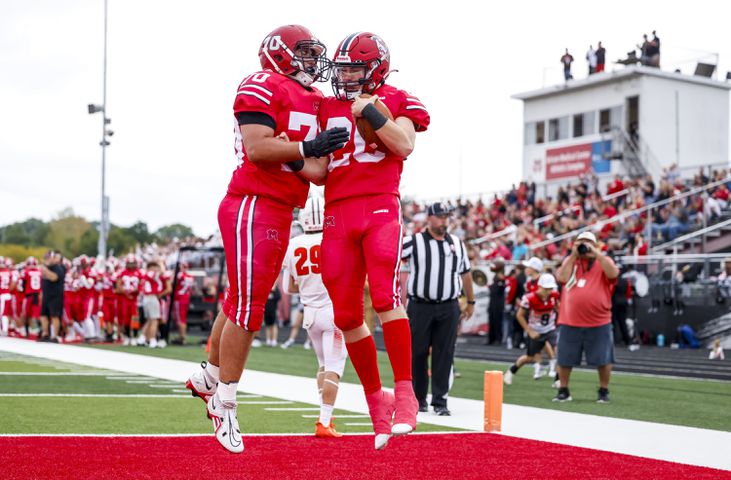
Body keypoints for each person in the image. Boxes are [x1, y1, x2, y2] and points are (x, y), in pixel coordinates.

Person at [184, 25, 348, 454]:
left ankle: (208, 377)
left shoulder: (314, 100)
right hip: (252, 201)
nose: (313, 62)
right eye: (305, 53)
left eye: (314, 54)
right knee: (250, 308)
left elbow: (315, 173)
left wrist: (302, 149)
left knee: (241, 298)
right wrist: (304, 146)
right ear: (279, 54)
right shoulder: (261, 83)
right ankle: (224, 401)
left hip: (279, 205)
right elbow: (258, 149)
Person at [315, 32, 430, 450]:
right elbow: (316, 170)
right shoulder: (325, 106)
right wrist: (300, 153)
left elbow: (404, 144)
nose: (343, 77)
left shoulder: (396, 98)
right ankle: (375, 400)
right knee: (345, 313)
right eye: (341, 68)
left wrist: (374, 113)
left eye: (352, 69)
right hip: (336, 211)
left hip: (380, 204)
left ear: (376, 69)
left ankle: (405, 392)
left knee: (384, 294)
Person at [401, 202, 474, 417]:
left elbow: (466, 272)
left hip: (448, 305)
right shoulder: (414, 242)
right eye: (440, 216)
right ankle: (419, 399)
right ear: (429, 219)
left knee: (445, 354)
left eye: (447, 217)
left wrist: (470, 301)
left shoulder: (457, 244)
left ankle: (440, 401)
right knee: (418, 353)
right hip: (420, 305)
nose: (444, 220)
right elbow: (390, 255)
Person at [283, 194, 347, 437]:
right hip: (333, 312)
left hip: (310, 314)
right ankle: (324, 421)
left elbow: (288, 288)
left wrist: (308, 285)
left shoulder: (293, 244)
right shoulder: (335, 238)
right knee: (334, 367)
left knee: (323, 365)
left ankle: (324, 417)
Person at [554, 232, 619, 403]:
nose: (585, 246)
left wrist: (596, 253)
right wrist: (574, 254)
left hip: (599, 320)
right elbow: (561, 277)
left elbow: (613, 273)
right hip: (570, 320)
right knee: (565, 358)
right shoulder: (571, 262)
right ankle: (563, 389)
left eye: (589, 243)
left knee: (604, 358)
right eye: (582, 243)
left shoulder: (603, 261)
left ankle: (603, 390)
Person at [504, 273, 559, 385]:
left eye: (550, 288)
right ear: (540, 287)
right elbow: (519, 315)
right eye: (546, 289)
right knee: (529, 357)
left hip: (550, 328)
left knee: (560, 353)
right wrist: (529, 331)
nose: (548, 291)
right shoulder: (530, 298)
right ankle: (511, 371)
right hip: (536, 330)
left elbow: (558, 308)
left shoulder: (554, 295)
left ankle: (558, 380)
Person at [38, 250, 67, 342]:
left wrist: (45, 269)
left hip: (55, 295)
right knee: (43, 315)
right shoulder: (47, 267)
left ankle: (55, 336)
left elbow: (54, 277)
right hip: (46, 294)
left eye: (49, 257)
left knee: (55, 315)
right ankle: (45, 333)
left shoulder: (58, 268)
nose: (47, 259)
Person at [171, 262, 195, 345]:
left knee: (180, 319)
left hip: (179, 298)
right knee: (183, 318)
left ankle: (182, 337)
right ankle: (182, 336)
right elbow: (192, 290)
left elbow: (172, 282)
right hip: (186, 298)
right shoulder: (190, 277)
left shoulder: (180, 275)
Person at [21, 257, 43, 337]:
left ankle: (26, 331)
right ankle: (40, 330)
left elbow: (22, 284)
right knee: (37, 314)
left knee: (26, 314)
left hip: (29, 295)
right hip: (37, 295)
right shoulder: (40, 272)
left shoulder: (25, 272)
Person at [486, 259, 506, 345]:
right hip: (493, 301)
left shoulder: (502, 277)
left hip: (498, 302)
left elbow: (501, 289)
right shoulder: (496, 276)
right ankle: (491, 338)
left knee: (497, 320)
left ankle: (498, 339)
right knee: (491, 319)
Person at [263, 281, 281, 347]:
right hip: (266, 310)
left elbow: (279, 297)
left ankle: (274, 340)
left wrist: (273, 290)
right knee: (267, 325)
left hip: (273, 311)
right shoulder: (266, 289)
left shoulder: (276, 290)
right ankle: (268, 340)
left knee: (274, 325)